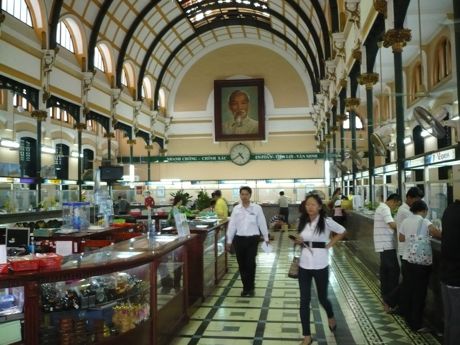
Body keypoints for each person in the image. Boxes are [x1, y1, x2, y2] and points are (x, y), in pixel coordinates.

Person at [290, 193, 346, 345]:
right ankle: (307, 336)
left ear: (320, 207)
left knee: (322, 298)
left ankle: (330, 314)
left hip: (321, 264)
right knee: (304, 300)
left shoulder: (326, 221)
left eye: (313, 204)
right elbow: (301, 239)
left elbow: (342, 231)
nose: (310, 207)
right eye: (308, 204)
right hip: (304, 266)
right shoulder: (301, 220)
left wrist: (328, 245)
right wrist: (298, 241)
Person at [398, 200, 441, 332]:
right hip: (420, 263)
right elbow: (436, 234)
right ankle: (416, 324)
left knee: (409, 290)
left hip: (407, 259)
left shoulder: (406, 221)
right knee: (419, 293)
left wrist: (413, 239)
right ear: (423, 210)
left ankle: (408, 319)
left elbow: (401, 238)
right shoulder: (424, 221)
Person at [226, 186, 269, 297]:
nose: (244, 196)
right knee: (242, 265)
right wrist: (229, 240)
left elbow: (262, 223)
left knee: (250, 264)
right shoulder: (236, 209)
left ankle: (251, 287)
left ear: (250, 195)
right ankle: (246, 288)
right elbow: (232, 225)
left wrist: (266, 237)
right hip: (239, 240)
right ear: (240, 195)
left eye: (246, 194)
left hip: (252, 239)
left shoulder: (257, 208)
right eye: (242, 194)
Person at [373, 193, 401, 313]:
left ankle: (386, 301)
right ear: (393, 201)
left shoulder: (381, 207)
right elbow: (392, 224)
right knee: (393, 274)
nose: (395, 208)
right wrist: (406, 226)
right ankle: (390, 302)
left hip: (383, 246)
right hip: (386, 246)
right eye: (396, 205)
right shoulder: (385, 209)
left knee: (385, 274)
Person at [440, 199, 460, 345]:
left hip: (446, 273)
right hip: (456, 277)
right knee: (457, 321)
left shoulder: (449, 209)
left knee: (450, 318)